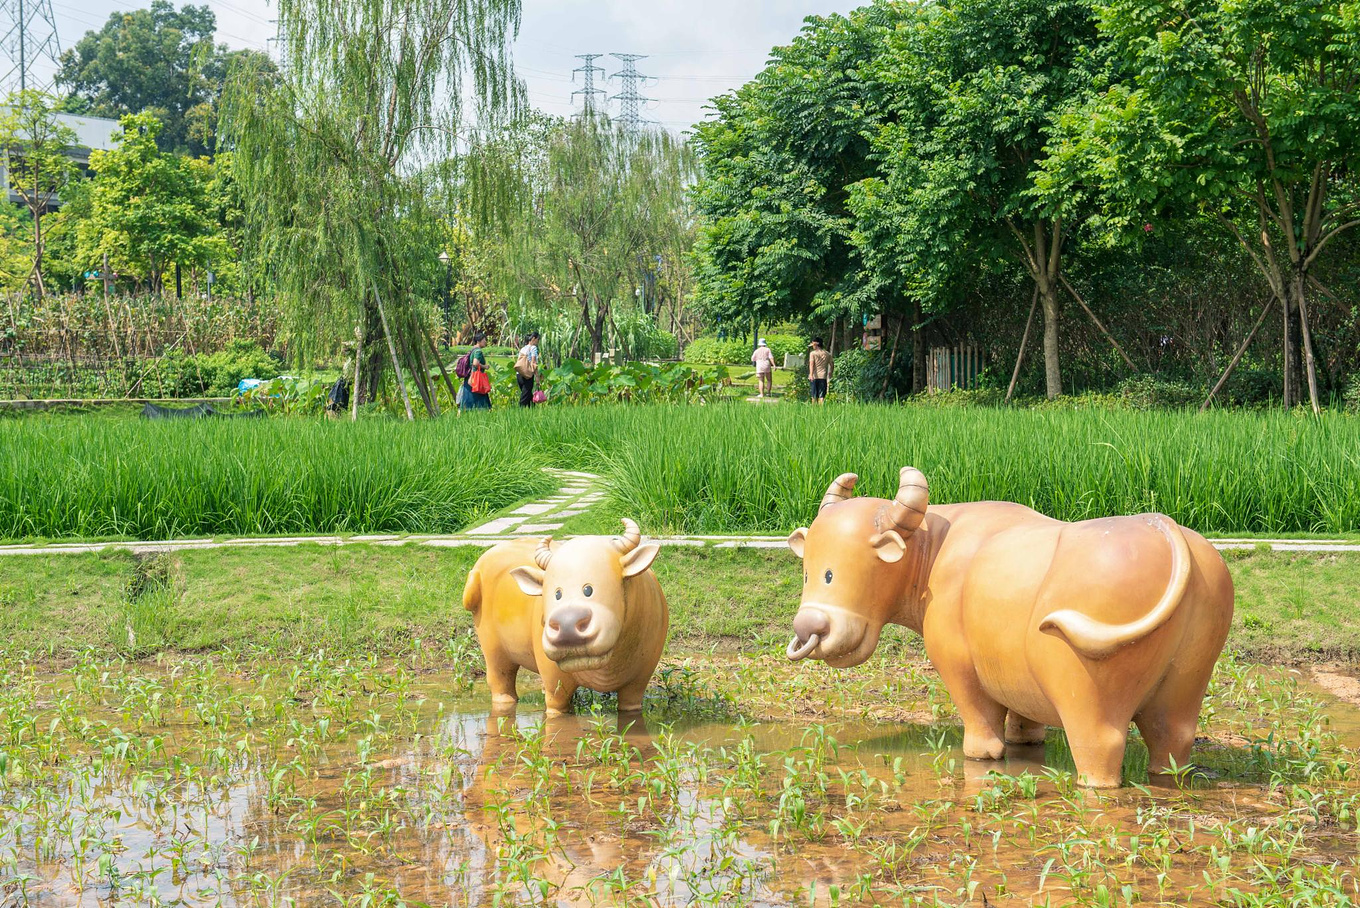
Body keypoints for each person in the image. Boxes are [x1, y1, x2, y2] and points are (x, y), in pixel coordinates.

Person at [458, 333, 492, 412]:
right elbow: (475, 363)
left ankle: (465, 413)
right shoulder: (478, 351)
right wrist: (485, 366)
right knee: (479, 399)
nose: (485, 342)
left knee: (468, 399)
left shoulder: (473, 350)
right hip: (476, 378)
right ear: (478, 341)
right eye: (484, 340)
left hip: (471, 377)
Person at [516, 331, 540, 407]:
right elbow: (534, 362)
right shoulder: (533, 348)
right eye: (538, 339)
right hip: (527, 375)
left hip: (519, 374)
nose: (538, 342)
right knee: (525, 396)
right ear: (534, 338)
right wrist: (537, 376)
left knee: (528, 394)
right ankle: (519, 410)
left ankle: (532, 409)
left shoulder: (523, 348)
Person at [808, 337, 831, 404]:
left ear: (816, 344)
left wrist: (811, 374)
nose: (813, 346)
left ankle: (813, 409)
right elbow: (832, 365)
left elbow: (811, 364)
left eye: (813, 345)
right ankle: (821, 410)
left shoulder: (813, 353)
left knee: (814, 396)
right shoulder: (827, 354)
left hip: (814, 377)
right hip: (823, 377)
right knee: (821, 396)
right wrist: (830, 372)